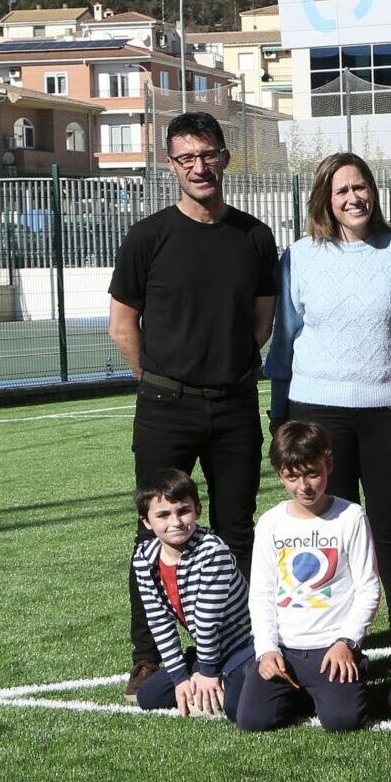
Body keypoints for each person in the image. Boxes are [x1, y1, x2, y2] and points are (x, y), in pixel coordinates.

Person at [107, 111, 276, 694]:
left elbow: (261, 322)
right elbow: (123, 323)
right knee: (153, 532)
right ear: (171, 165)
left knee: (236, 530)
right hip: (165, 406)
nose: (198, 167)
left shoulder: (254, 236)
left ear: (225, 158)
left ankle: (246, 647)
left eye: (207, 155)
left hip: (234, 407)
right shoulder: (149, 235)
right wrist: (159, 379)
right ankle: (149, 654)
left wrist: (219, 368)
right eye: (186, 158)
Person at [266, 151, 391, 638]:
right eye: (341, 190)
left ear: (374, 192)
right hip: (318, 412)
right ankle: (337, 634)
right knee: (331, 533)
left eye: (360, 186)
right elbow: (284, 339)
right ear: (325, 198)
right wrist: (279, 411)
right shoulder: (299, 256)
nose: (353, 197)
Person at [239, 421, 377, 734]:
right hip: (285, 649)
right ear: (280, 474)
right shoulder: (271, 523)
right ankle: (288, 685)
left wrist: (346, 641)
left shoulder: (350, 517)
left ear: (328, 465)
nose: (304, 486)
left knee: (343, 720)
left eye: (312, 473)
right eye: (292, 476)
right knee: (251, 719)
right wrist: (267, 650)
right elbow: (260, 593)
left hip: (331, 647)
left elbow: (368, 589)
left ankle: (351, 669)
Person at [127, 469, 255, 721]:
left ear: (197, 510)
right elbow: (159, 622)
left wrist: (207, 672)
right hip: (210, 650)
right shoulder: (144, 558)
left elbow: (207, 621)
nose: (175, 522)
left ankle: (235, 676)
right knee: (149, 697)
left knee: (236, 706)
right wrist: (179, 678)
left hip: (245, 645)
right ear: (146, 522)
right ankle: (202, 670)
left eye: (183, 510)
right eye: (163, 514)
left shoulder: (213, 551)